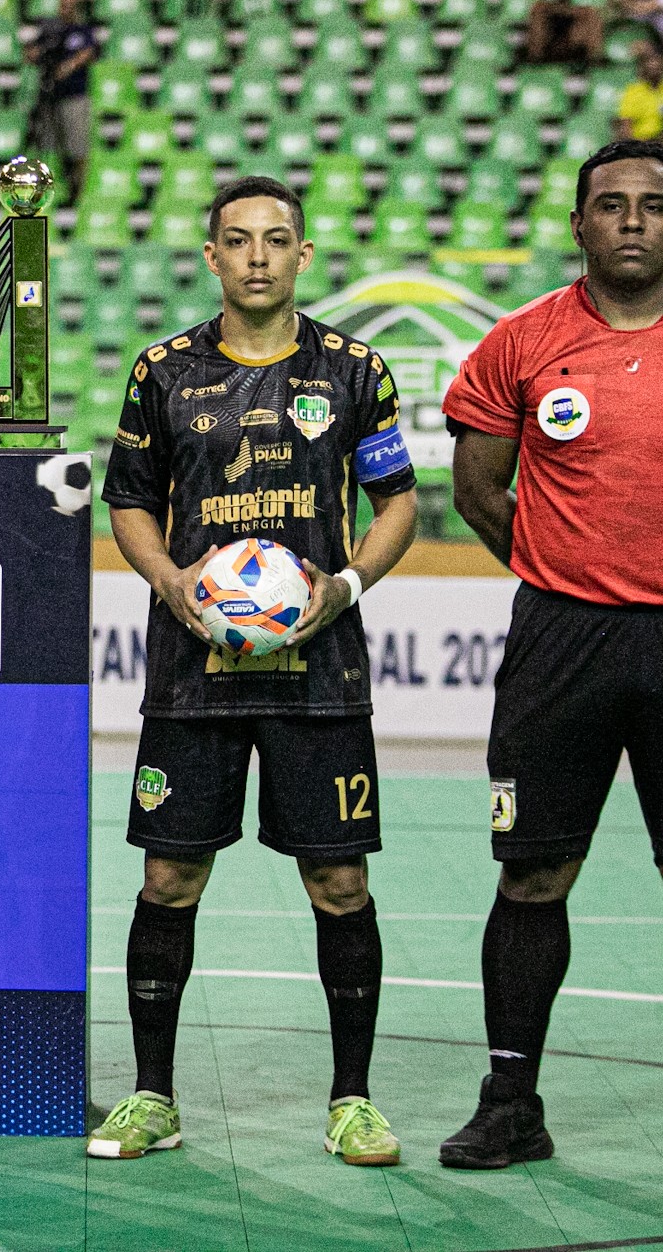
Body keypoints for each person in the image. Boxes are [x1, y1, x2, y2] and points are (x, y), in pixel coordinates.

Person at [438, 138, 663, 1179]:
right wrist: (563, 570)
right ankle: (510, 1100)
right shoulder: (520, 341)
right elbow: (477, 487)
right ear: (578, 224)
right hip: (560, 638)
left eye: (652, 204)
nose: (632, 220)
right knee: (531, 874)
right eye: (610, 205)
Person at [90, 176, 420, 1167]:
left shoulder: (356, 371)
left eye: (276, 240)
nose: (258, 257)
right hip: (194, 673)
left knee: (338, 881)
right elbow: (130, 502)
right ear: (211, 257)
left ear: (302, 254)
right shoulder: (161, 372)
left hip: (318, 673)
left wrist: (344, 587)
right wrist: (171, 580)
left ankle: (351, 1100)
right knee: (168, 875)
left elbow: (397, 502)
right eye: (238, 241)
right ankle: (152, 1096)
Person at [25, 0, 99, 201]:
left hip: (74, 96)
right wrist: (34, 53)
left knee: (77, 147)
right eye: (63, 5)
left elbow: (89, 51)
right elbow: (33, 51)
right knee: (46, 145)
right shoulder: (51, 30)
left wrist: (70, 65)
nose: (65, 9)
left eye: (69, 5)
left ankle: (79, 192)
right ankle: (45, 190)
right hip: (50, 96)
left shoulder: (82, 30)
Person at [524, 0, 603, 67]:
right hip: (572, 9)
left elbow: (538, 9)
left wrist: (562, 9)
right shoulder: (588, 42)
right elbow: (592, 12)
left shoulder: (539, 44)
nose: (560, 49)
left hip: (562, 11)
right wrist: (566, 9)